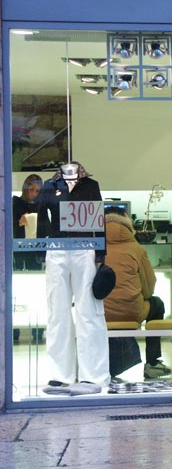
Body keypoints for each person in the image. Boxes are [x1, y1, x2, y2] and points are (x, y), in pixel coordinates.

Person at [38, 162, 110, 395]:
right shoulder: (50, 186)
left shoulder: (91, 185)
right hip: (57, 248)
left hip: (84, 248)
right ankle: (61, 375)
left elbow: (99, 219)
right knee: (57, 313)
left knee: (89, 311)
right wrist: (41, 251)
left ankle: (94, 375)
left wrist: (101, 253)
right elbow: (42, 219)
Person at [103, 208, 172, 379]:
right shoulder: (137, 248)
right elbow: (149, 286)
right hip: (132, 310)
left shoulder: (94, 248)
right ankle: (153, 362)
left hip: (100, 312)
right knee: (157, 304)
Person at [12, 174, 43, 270]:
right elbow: (7, 226)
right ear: (26, 188)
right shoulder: (16, 203)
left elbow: (46, 228)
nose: (34, 194)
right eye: (31, 189)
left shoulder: (41, 206)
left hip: (36, 250)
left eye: (37, 191)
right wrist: (19, 223)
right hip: (19, 248)